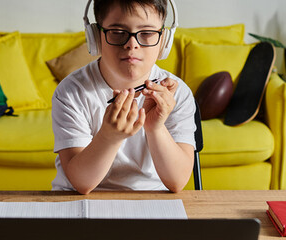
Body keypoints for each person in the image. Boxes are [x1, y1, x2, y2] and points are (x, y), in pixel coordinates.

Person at [51, 0, 196, 194]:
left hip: (153, 203)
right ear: (95, 37)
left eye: (146, 33)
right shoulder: (71, 92)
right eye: (118, 32)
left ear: (164, 40)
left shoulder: (177, 93)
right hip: (80, 202)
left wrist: (156, 128)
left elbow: (177, 182)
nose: (132, 44)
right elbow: (81, 183)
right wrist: (109, 137)